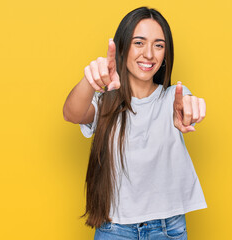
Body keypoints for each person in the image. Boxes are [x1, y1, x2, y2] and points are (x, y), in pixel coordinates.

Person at [63, 6, 207, 240]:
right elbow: (72, 113)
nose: (149, 54)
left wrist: (190, 109)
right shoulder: (104, 102)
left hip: (167, 229)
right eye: (139, 42)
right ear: (122, 48)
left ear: (165, 55)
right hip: (114, 229)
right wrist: (90, 80)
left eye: (159, 45)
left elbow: (186, 104)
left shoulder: (173, 97)